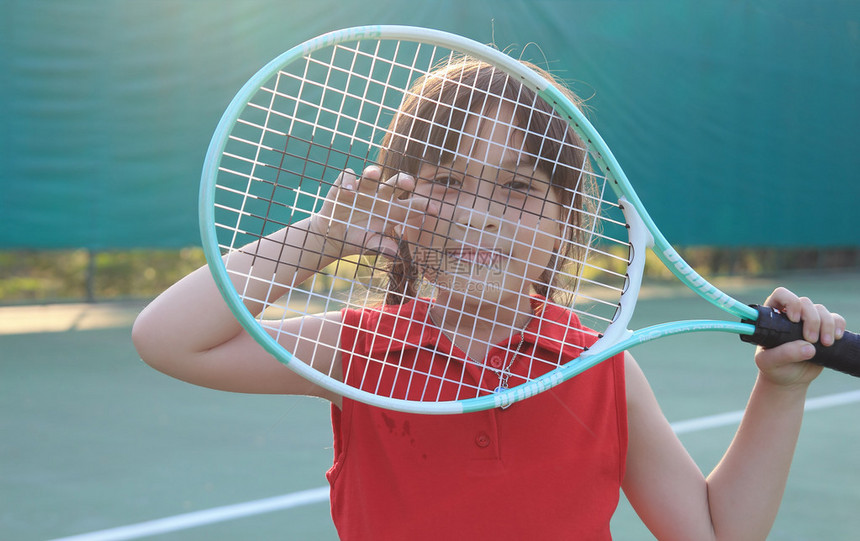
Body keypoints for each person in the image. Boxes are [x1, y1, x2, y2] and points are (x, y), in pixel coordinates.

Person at [132, 58, 847, 540]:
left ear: (568, 219)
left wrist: (780, 391)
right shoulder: (357, 350)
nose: (480, 214)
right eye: (446, 181)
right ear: (401, 203)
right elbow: (168, 337)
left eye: (517, 187)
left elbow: (716, 530)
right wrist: (325, 236)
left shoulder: (604, 370)